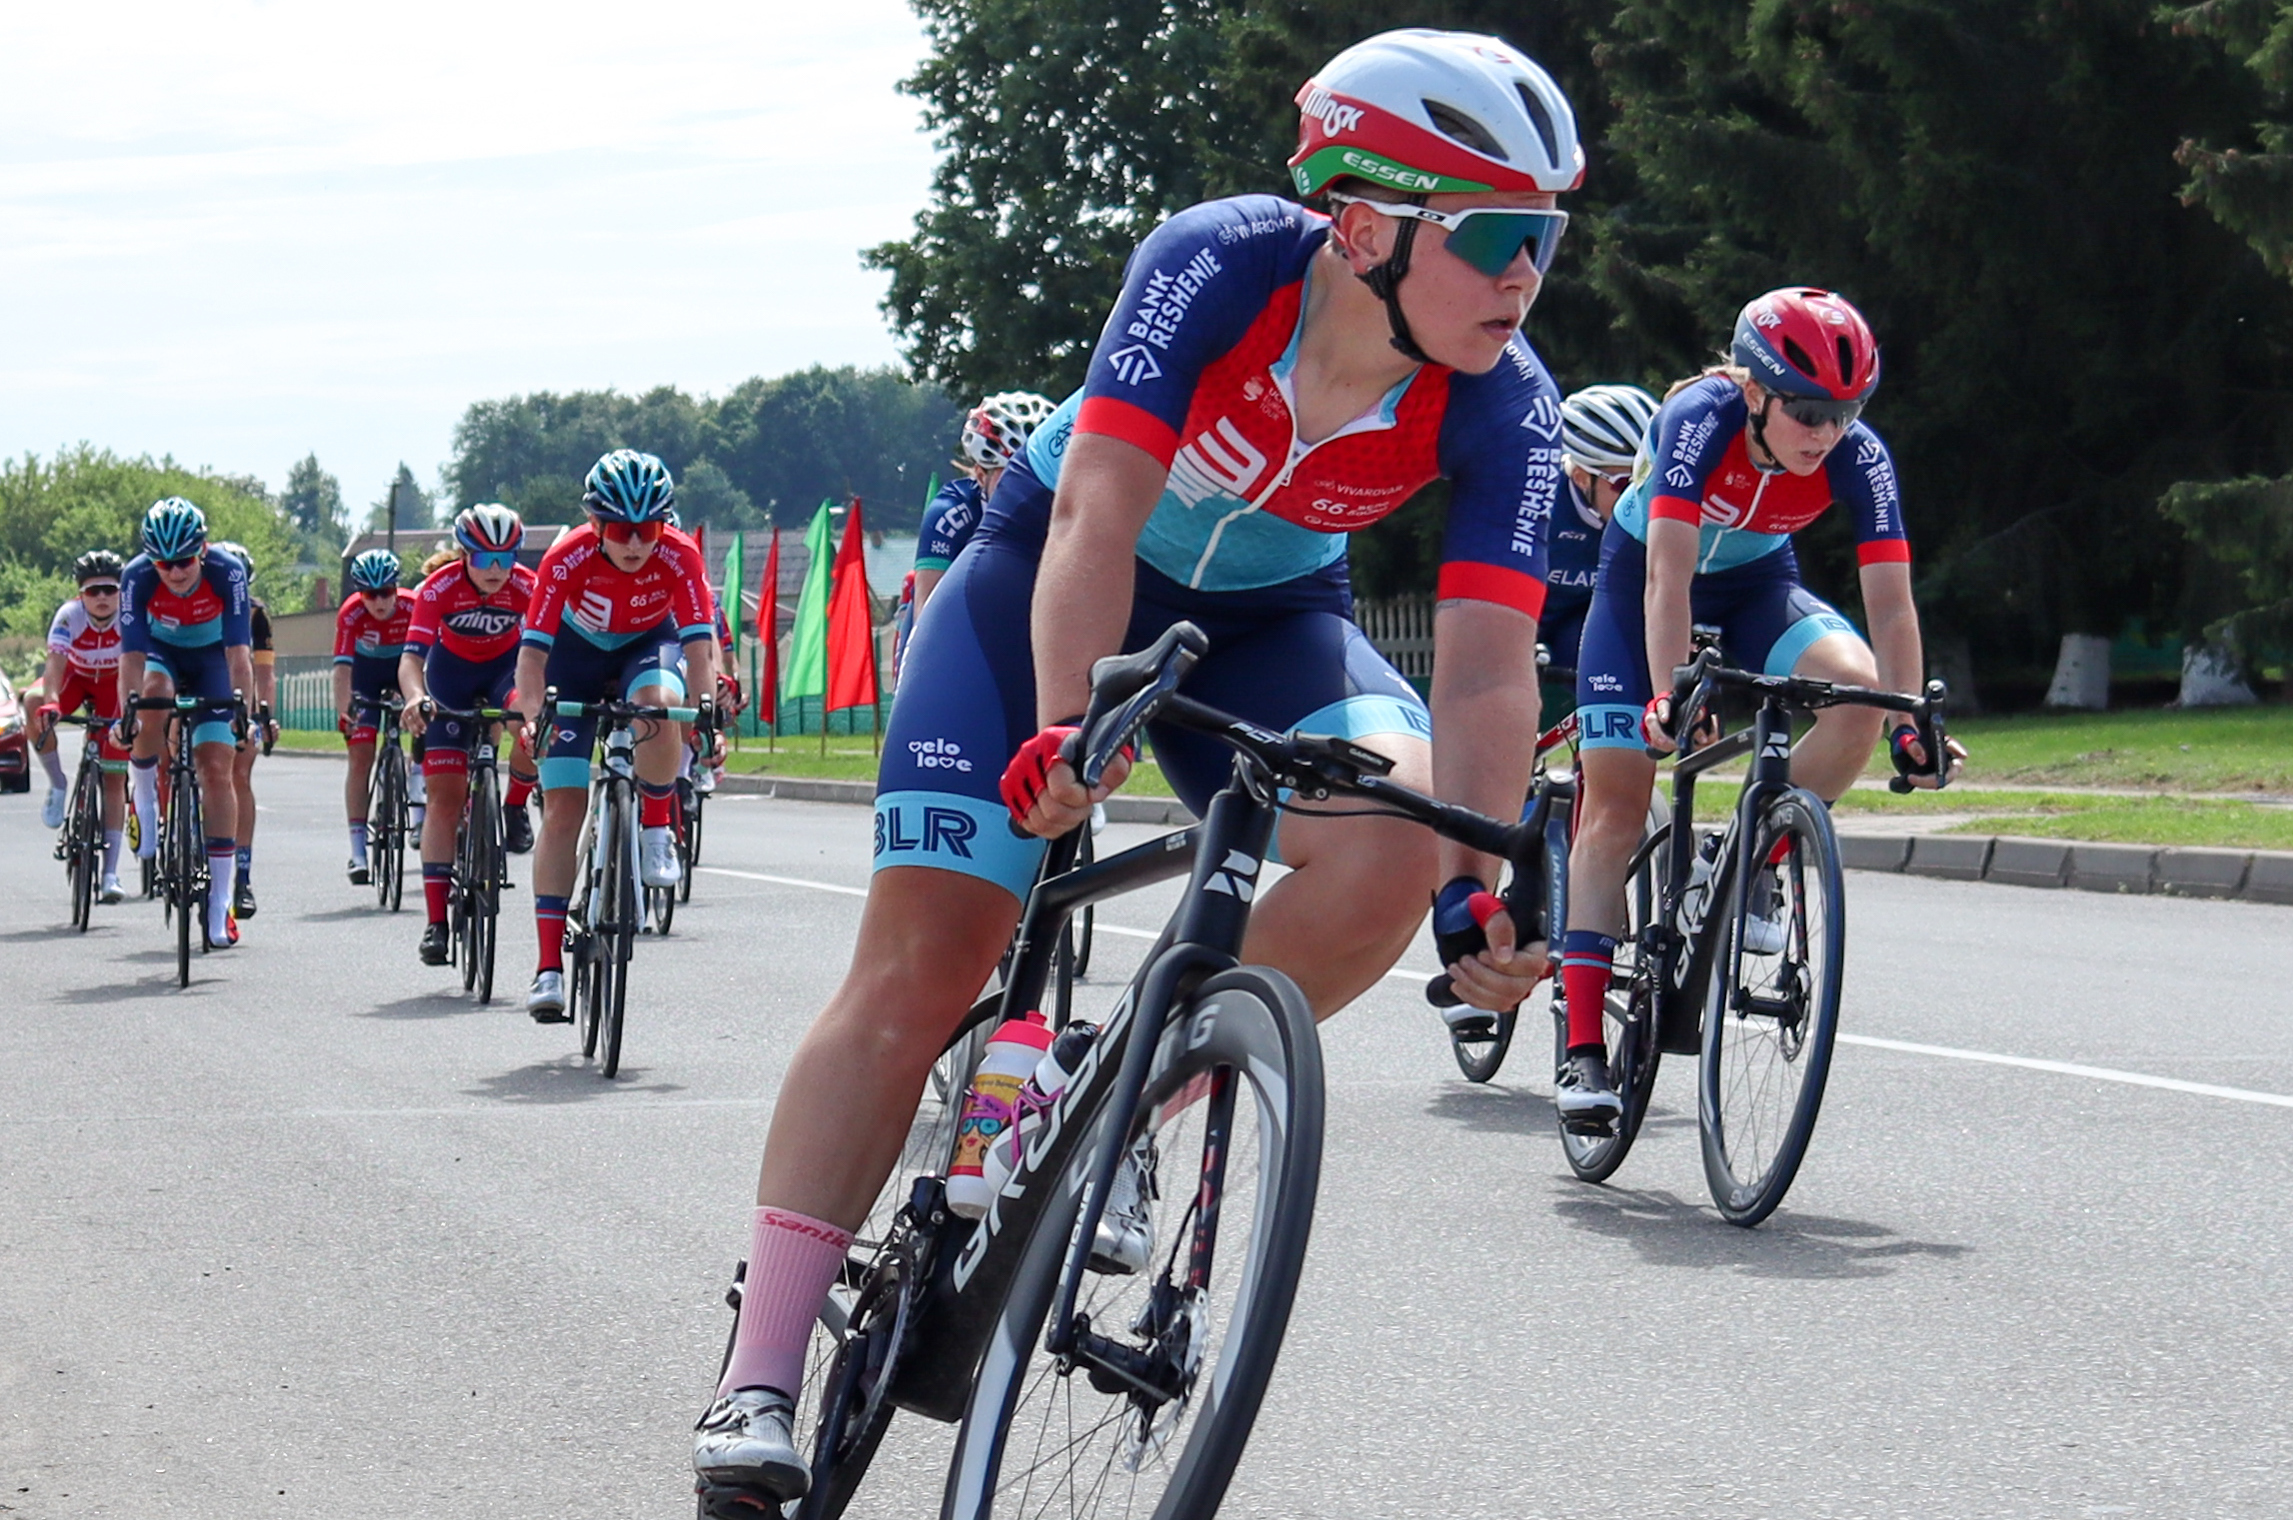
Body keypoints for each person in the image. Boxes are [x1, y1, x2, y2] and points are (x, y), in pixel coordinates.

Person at [694, 28, 1583, 1502]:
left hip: (1270, 626)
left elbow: (1487, 666)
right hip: (1042, 585)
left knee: (1386, 842)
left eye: (1542, 243)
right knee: (928, 961)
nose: (1522, 280)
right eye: (1494, 237)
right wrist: (1067, 734)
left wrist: (1475, 887)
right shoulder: (1216, 265)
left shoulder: (1506, 401)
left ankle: (1121, 1083)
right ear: (1362, 223)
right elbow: (1095, 520)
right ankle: (760, 1376)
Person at [1552, 288, 1964, 1129]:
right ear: (1753, 392)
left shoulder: (1859, 454)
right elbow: (1666, 577)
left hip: (1754, 587)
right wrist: (1674, 690)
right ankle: (1585, 1051)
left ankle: (1746, 854)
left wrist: (1912, 721)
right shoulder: (1697, 418)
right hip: (1642, 582)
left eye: (1844, 413)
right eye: (1808, 411)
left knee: (1855, 693)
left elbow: (1891, 607)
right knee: (1618, 809)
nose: (1826, 434)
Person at [514, 450, 718, 1021]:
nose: (635, 543)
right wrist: (533, 717)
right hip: (573, 660)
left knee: (660, 705)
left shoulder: (680, 554)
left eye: (648, 529)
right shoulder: (565, 557)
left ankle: (657, 827)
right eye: (621, 530)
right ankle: (548, 967)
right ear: (596, 525)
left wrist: (705, 712)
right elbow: (532, 659)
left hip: (644, 649)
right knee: (563, 810)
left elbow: (699, 647)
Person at [399, 504, 539, 966]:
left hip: (505, 672)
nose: (496, 570)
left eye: (506, 557)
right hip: (450, 679)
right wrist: (416, 697)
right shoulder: (438, 588)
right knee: (444, 799)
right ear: (463, 555)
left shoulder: (527, 585)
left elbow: (547, 648)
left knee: (529, 719)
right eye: (484, 560)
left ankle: (516, 804)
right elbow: (412, 659)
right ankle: (436, 922)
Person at [116, 498, 256, 949]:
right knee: (151, 693)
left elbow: (239, 655)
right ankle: (143, 798)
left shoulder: (227, 571)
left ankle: (220, 903)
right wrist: (127, 713)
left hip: (214, 657)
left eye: (184, 561)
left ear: (203, 549)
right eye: (164, 563)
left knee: (216, 768)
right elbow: (131, 656)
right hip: (162, 652)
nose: (175, 573)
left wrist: (243, 713)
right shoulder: (136, 576)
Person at [889, 392, 1055, 682]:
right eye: (1014, 474)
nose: (1030, 488)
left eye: (1040, 474)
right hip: (962, 630)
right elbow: (929, 619)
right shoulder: (952, 512)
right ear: (981, 475)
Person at [33, 550, 136, 902]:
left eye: (110, 589)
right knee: (32, 703)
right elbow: (55, 665)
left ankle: (110, 873)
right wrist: (50, 701)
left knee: (114, 777)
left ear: (120, 591)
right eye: (93, 591)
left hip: (114, 686)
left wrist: (129, 715)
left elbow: (136, 669)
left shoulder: (128, 616)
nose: (103, 598)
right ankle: (58, 783)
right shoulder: (69, 616)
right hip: (76, 679)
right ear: (81, 595)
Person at [1539, 382, 1659, 667]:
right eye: (1625, 484)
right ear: (1581, 477)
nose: (1641, 497)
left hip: (1589, 622)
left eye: (1651, 480)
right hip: (1524, 622)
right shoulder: (1538, 501)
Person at [331, 549, 413, 884]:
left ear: (397, 588)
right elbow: (341, 669)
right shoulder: (350, 614)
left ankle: (418, 806)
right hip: (364, 676)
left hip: (404, 670)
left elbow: (431, 659)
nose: (379, 602)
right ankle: (357, 851)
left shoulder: (413, 605)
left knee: (427, 726)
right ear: (359, 593)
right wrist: (344, 710)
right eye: (370, 594)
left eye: (386, 592)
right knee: (360, 755)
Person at [209, 542, 278, 917]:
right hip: (198, 685)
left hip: (237, 694)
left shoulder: (255, 614)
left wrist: (264, 715)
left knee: (239, 775)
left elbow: (264, 672)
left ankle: (243, 877)